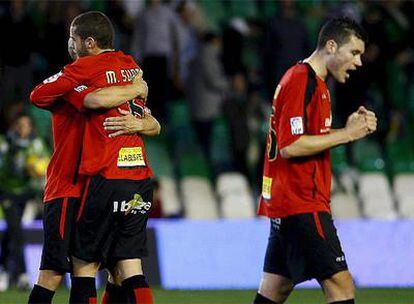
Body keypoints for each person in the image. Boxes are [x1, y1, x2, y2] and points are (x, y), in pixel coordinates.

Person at [31, 11, 160, 304]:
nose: (69, 43)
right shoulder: (130, 68)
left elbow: (86, 99)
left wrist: (140, 115)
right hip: (121, 179)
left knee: (83, 267)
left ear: (88, 42)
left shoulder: (82, 70)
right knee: (122, 267)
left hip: (90, 181)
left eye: (73, 38)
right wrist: (138, 88)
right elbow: (150, 120)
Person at [253, 17, 377, 304]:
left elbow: (306, 138)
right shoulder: (301, 80)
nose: (358, 62)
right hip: (301, 203)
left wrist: (346, 131)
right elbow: (291, 147)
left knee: (275, 289)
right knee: (341, 287)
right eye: (354, 53)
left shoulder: (315, 84)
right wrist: (347, 134)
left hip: (288, 203)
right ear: (331, 46)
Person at [0, 114, 49, 292]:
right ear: (14, 126)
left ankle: (3, 270)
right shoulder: (5, 142)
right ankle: (21, 276)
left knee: (12, 233)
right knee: (16, 230)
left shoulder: (36, 143)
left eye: (26, 125)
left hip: (28, 193)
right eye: (19, 124)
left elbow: (45, 164)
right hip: (7, 191)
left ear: (31, 127)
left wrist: (37, 170)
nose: (23, 128)